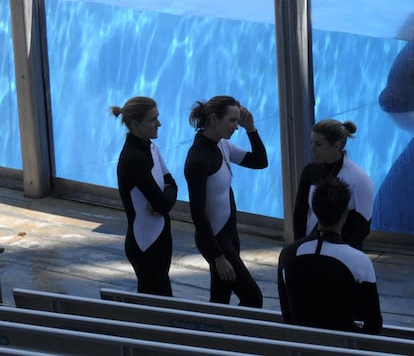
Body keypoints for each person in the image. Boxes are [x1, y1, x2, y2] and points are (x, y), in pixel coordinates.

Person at [184, 95, 268, 307]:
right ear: (213, 119)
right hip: (215, 241)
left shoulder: (223, 146)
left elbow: (260, 162)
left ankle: (217, 338)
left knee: (220, 299)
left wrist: (251, 129)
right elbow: (197, 214)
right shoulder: (198, 159)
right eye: (232, 121)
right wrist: (218, 257)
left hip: (230, 235)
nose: (236, 127)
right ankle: (236, 340)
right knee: (252, 297)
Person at [278, 178, 382, 334]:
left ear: (314, 209)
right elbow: (373, 325)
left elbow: (287, 314)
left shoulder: (288, 254)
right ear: (345, 215)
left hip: (301, 345)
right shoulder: (360, 261)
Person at [111, 96, 178, 296]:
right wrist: (165, 199)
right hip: (145, 245)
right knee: (160, 307)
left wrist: (165, 197)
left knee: (160, 305)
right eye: (152, 119)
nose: (159, 123)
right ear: (134, 124)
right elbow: (163, 203)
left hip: (160, 238)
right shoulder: (133, 158)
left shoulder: (150, 147)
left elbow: (171, 184)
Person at [293, 119, 374, 250]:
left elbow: (362, 228)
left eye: (318, 144)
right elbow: (299, 215)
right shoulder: (310, 171)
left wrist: (341, 255)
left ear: (337, 145)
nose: (312, 149)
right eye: (311, 142)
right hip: (311, 247)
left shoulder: (360, 179)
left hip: (344, 252)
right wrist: (298, 248)